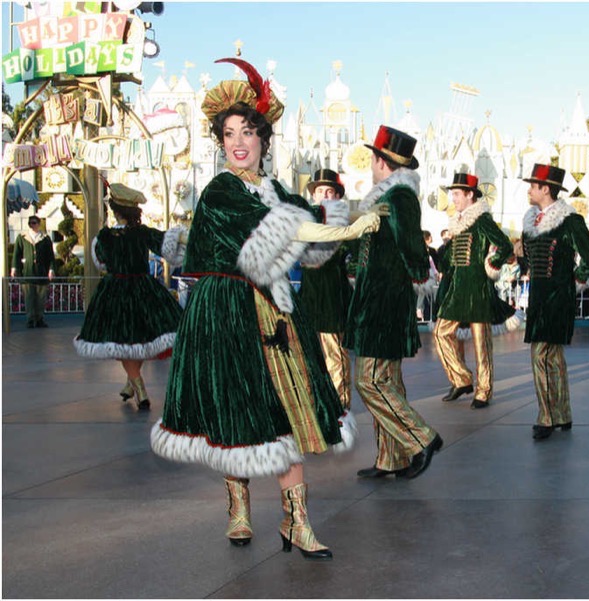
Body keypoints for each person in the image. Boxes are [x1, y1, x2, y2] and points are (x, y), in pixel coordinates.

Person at [150, 58, 382, 560]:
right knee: (236, 413)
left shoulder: (274, 189)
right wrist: (346, 226)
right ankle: (238, 509)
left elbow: (304, 232)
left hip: (273, 312)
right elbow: (290, 228)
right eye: (230, 132)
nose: (238, 141)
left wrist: (340, 215)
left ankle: (297, 522)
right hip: (226, 310)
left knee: (286, 415)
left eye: (248, 131)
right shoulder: (221, 191)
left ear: (263, 139)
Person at [343, 124, 443, 480]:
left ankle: (420, 438)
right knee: (388, 379)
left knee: (369, 382)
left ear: (378, 160)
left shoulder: (399, 196)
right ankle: (392, 458)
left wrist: (419, 277)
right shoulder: (389, 196)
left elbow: (411, 245)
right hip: (379, 297)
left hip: (384, 301)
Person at [73, 184, 185, 410]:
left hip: (115, 290)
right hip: (143, 288)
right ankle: (131, 383)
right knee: (139, 337)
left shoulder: (104, 237)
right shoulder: (143, 233)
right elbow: (168, 245)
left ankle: (140, 388)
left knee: (124, 340)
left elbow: (101, 262)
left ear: (115, 211)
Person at [514, 164, 589, 440]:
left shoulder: (569, 221)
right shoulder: (531, 222)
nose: (529, 190)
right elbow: (531, 263)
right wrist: (519, 254)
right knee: (552, 357)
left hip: (558, 297)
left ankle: (547, 417)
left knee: (540, 354)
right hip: (539, 298)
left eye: (533, 185)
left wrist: (573, 282)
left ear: (546, 189)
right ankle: (562, 414)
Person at [433, 172, 517, 410]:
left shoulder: (482, 220)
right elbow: (451, 258)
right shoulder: (458, 223)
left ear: (470, 195)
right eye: (452, 194)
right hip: (457, 290)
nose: (454, 199)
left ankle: (484, 390)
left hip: (478, 288)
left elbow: (505, 244)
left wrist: (492, 263)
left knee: (482, 343)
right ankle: (461, 378)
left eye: (457, 194)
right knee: (441, 333)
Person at [297, 169, 355, 411]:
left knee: (335, 352)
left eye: (329, 191)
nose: (324, 195)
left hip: (333, 294)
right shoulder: (305, 221)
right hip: (309, 294)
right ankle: (314, 401)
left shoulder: (344, 224)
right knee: (308, 351)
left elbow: (353, 256)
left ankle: (340, 403)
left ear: (337, 196)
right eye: (320, 191)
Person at [11, 215, 55, 328]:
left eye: (34, 223)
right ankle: (30, 319)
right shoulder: (22, 237)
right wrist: (14, 268)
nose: (32, 225)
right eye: (30, 223)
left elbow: (50, 256)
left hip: (41, 273)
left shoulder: (45, 238)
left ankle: (39, 319)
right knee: (29, 298)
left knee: (40, 298)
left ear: (39, 224)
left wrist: (51, 270)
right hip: (28, 273)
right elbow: (17, 254)